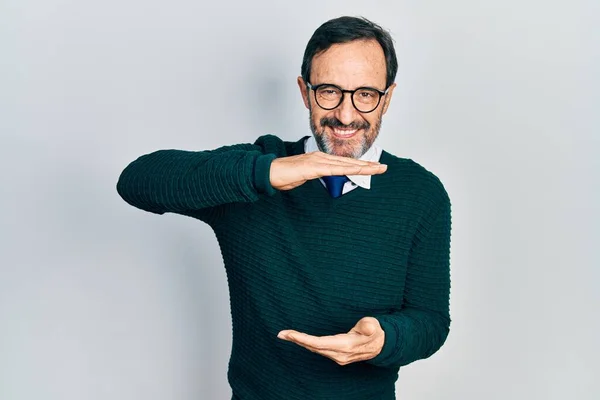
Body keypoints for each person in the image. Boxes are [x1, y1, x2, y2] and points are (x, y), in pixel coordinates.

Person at [117, 16, 451, 400]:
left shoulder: (422, 194)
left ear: (387, 98)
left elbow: (431, 321)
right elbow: (137, 181)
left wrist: (385, 339)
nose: (345, 114)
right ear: (304, 92)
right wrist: (267, 172)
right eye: (329, 91)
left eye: (365, 94)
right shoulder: (255, 172)